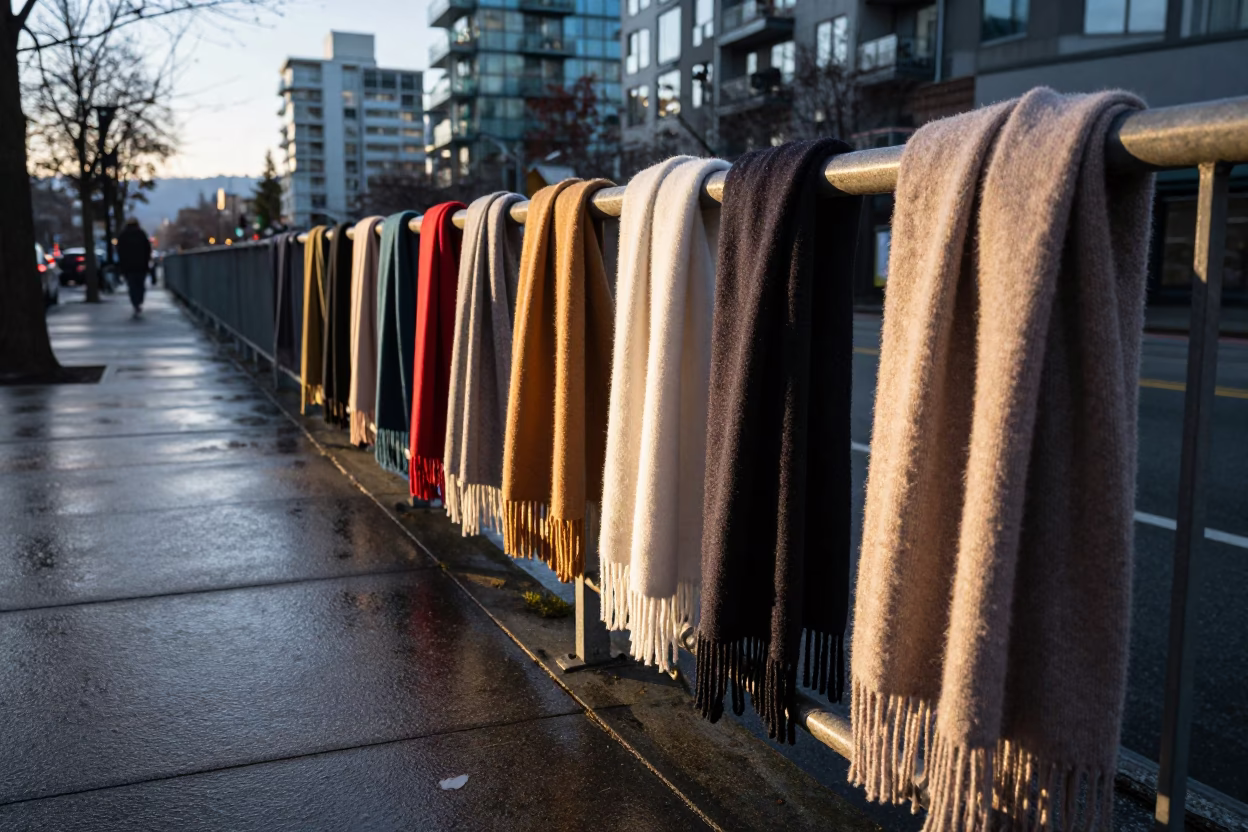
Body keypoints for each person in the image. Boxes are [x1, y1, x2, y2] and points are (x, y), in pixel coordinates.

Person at [117, 217, 153, 316]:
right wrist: (147, 261)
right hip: (141, 265)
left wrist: (122, 264)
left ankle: (135, 302)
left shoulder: (123, 235)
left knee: (132, 285)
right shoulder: (141, 234)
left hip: (128, 266)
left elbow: (120, 251)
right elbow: (148, 249)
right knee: (140, 284)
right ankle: (139, 300)